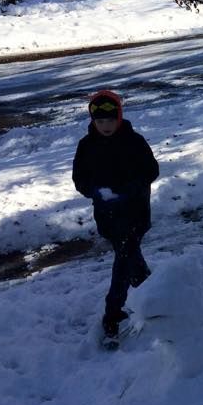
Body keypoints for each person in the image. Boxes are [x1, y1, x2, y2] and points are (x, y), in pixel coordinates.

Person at [72, 90, 159, 338]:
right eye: (100, 122)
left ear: (119, 117)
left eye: (110, 120)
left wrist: (134, 187)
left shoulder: (134, 141)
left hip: (135, 212)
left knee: (126, 258)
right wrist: (95, 191)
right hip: (108, 215)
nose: (106, 126)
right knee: (127, 260)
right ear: (93, 121)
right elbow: (80, 179)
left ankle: (116, 311)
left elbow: (151, 170)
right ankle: (151, 300)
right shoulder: (86, 146)